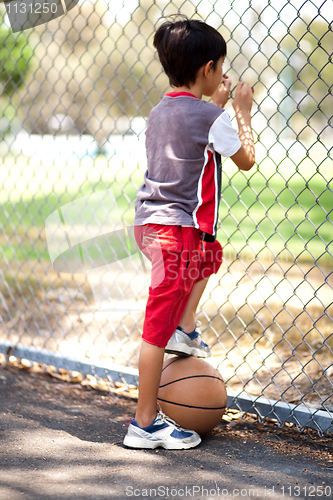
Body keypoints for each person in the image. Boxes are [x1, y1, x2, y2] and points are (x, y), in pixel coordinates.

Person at [123, 16, 255, 450]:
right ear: (210, 69)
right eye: (221, 67)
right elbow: (246, 159)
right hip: (176, 231)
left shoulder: (160, 110)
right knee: (154, 331)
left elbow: (192, 126)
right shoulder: (213, 118)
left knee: (210, 256)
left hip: (150, 225)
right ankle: (144, 424)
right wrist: (241, 112)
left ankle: (185, 324)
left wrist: (213, 107)